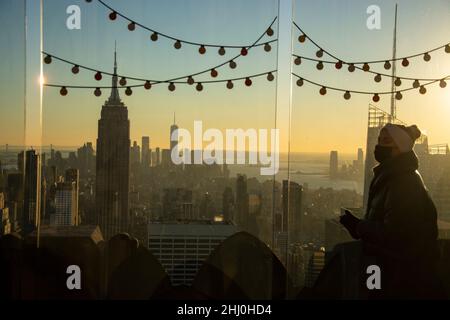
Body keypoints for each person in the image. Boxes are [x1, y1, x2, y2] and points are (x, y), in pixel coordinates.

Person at [339, 123, 444, 299]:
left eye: (386, 141)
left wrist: (360, 227)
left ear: (400, 148)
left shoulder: (404, 183)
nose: (379, 145)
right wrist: (359, 228)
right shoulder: (393, 177)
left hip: (403, 279)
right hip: (394, 272)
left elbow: (395, 234)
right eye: (379, 140)